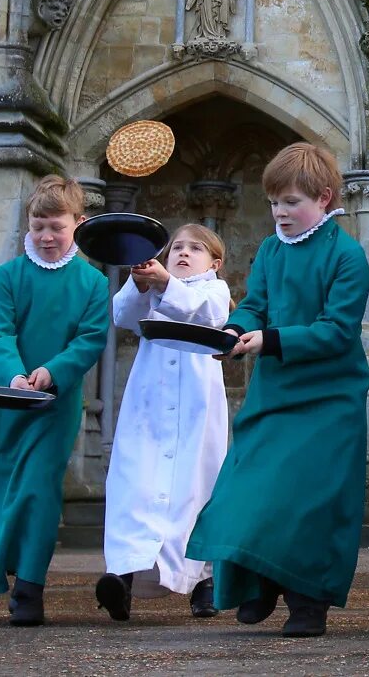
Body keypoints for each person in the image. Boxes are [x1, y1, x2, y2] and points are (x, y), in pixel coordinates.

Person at [185, 143, 369, 638]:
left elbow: (337, 331)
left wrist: (270, 340)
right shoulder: (270, 249)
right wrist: (233, 329)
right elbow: (255, 304)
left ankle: (308, 604)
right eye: (274, 203)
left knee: (311, 503)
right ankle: (257, 583)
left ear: (325, 198)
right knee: (249, 488)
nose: (280, 213)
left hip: (330, 400)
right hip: (275, 393)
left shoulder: (348, 255)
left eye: (291, 202)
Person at [0, 175, 110, 626]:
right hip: (4, 399)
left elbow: (90, 338)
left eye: (56, 227)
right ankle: (6, 559)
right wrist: (15, 374)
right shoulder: (8, 275)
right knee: (0, 486)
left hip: (54, 405)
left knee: (39, 489)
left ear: (78, 225)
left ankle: (29, 588)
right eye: (38, 224)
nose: (46, 236)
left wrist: (54, 372)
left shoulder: (92, 282)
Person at [96, 224, 231, 621]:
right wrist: (140, 284)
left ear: (215, 263)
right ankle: (121, 577)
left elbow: (206, 314)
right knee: (135, 484)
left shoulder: (213, 291)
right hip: (148, 407)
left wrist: (167, 282)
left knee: (196, 487)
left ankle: (203, 581)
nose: (183, 253)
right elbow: (122, 315)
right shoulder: (151, 288)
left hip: (196, 407)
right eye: (177, 248)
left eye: (195, 249)